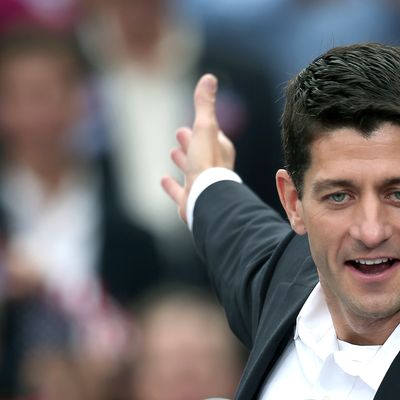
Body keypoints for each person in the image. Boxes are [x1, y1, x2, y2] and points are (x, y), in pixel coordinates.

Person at [162, 43, 400, 399]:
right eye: (339, 196)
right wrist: (206, 181)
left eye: (397, 194)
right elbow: (232, 226)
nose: (371, 230)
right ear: (293, 203)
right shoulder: (282, 281)